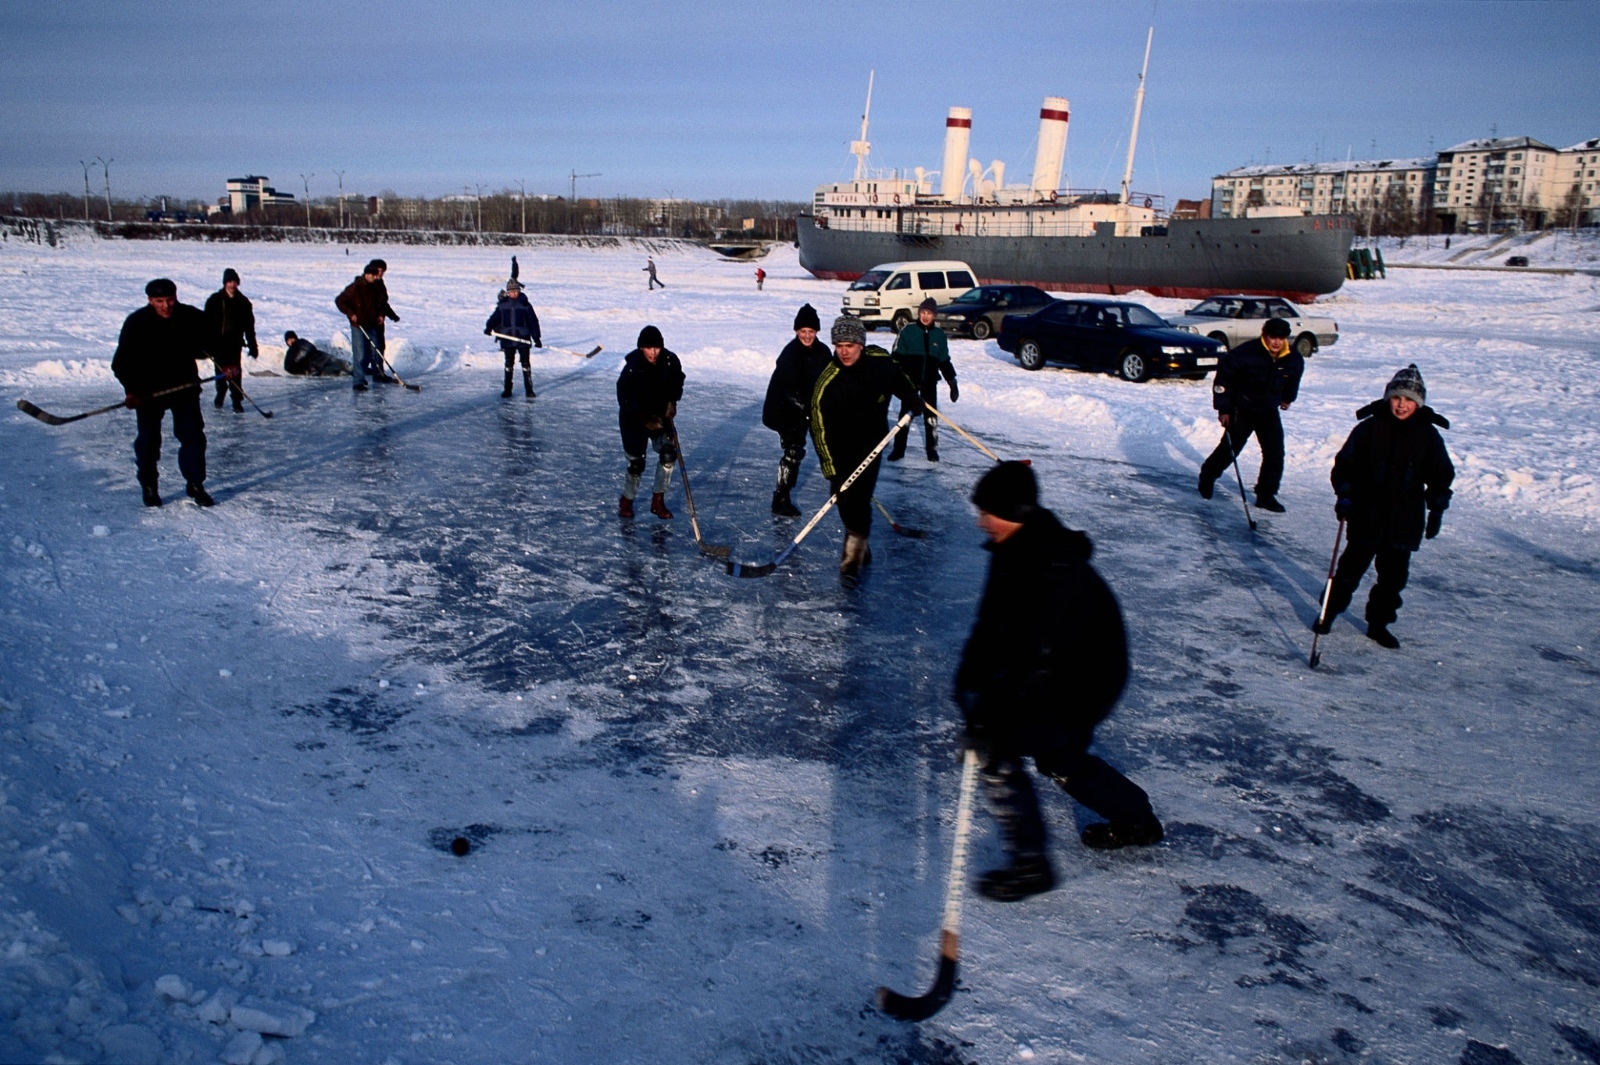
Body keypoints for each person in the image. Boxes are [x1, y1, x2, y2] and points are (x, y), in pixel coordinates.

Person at [955, 461, 1162, 902]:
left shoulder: (1051, 568)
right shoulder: (1011, 547)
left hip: (1085, 678)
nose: (980, 521)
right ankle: (1136, 820)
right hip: (1062, 669)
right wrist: (968, 681)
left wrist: (988, 717)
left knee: (1000, 748)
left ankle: (1032, 865)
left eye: (988, 512)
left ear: (1014, 512)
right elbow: (992, 627)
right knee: (1058, 757)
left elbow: (1039, 665)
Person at [1314, 364, 1455, 649]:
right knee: (1348, 572)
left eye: (1408, 400)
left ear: (1418, 403)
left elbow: (1441, 476)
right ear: (1387, 398)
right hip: (1366, 513)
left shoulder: (1427, 436)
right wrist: (1344, 495)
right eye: (1396, 398)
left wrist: (1437, 509)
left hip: (1405, 519)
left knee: (1392, 580)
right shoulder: (1369, 428)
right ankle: (1328, 613)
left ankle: (1378, 624)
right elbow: (1344, 467)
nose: (1401, 405)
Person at [809, 317, 923, 587]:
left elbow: (899, 376)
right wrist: (831, 470)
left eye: (849, 345)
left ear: (861, 344)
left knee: (858, 500)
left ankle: (851, 560)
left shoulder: (880, 361)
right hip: (841, 448)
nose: (843, 352)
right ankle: (859, 539)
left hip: (873, 443)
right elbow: (818, 428)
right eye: (839, 346)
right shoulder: (828, 383)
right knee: (843, 499)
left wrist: (911, 396)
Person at [111, 279, 214, 507]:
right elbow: (121, 363)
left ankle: (195, 483)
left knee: (193, 437)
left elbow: (213, 340)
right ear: (149, 300)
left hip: (184, 388)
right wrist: (131, 391)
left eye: (170, 300)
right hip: (149, 393)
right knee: (148, 442)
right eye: (159, 301)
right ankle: (149, 486)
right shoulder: (136, 323)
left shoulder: (189, 316)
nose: (166, 306)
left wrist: (226, 362)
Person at [1196, 317, 1305, 512]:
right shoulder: (1244, 354)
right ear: (1265, 335)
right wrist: (1224, 410)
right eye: (1273, 337)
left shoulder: (1293, 358)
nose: (1277, 343)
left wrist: (1288, 398)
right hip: (1242, 408)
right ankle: (1208, 475)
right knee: (1230, 449)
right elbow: (1223, 382)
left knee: (1275, 452)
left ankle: (1266, 494)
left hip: (1268, 411)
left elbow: (1293, 379)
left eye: (1281, 338)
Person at [761, 303, 832, 517]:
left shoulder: (823, 352)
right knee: (794, 451)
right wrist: (806, 407)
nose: (807, 336)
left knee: (826, 445)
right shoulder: (790, 353)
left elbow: (829, 380)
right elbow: (788, 388)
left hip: (808, 408)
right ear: (796, 331)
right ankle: (781, 497)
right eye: (803, 332)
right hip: (783, 409)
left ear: (817, 332)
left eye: (811, 331)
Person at [616, 325, 685, 519]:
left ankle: (658, 501)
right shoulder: (632, 367)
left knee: (669, 454)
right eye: (648, 348)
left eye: (656, 348)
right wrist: (644, 418)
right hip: (634, 421)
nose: (653, 352)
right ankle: (627, 500)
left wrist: (672, 402)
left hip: (660, 418)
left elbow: (677, 382)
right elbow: (625, 398)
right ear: (641, 348)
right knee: (637, 463)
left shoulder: (670, 361)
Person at [888, 297, 958, 461]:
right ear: (919, 313)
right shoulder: (908, 331)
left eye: (929, 313)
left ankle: (932, 449)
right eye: (923, 313)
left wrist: (952, 382)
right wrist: (893, 376)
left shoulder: (939, 335)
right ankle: (899, 449)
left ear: (934, 316)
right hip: (909, 381)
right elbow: (896, 356)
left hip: (929, 382)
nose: (925, 316)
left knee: (931, 417)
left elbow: (944, 360)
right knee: (905, 416)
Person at [202, 268, 258, 412]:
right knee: (220, 371)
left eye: (234, 282)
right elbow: (205, 323)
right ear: (225, 283)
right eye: (229, 281)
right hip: (218, 343)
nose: (232, 285)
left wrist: (253, 345)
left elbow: (249, 327)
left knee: (235, 372)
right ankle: (221, 392)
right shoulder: (214, 300)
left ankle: (236, 400)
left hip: (234, 344)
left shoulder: (244, 302)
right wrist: (205, 342)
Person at [483, 277, 542, 398]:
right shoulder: (503, 305)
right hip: (508, 339)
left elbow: (533, 322)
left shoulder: (525, 305)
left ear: (519, 291)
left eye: (515, 291)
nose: (513, 293)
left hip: (523, 338)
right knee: (509, 364)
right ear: (508, 292)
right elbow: (495, 318)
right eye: (511, 292)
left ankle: (529, 389)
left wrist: (536, 338)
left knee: (525, 364)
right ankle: (507, 389)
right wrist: (489, 327)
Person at [334, 261, 386, 391]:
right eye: (374, 275)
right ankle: (358, 381)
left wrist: (380, 314)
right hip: (359, 325)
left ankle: (378, 374)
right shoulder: (355, 287)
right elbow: (340, 301)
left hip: (373, 323)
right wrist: (351, 314)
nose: (377, 277)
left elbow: (381, 302)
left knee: (377, 350)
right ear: (367, 274)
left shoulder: (376, 286)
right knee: (360, 353)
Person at [282, 331, 351, 377]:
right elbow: (288, 367)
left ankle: (357, 369)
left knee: (345, 365)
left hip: (323, 359)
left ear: (295, 338)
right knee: (337, 372)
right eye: (288, 340)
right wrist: (303, 370)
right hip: (316, 369)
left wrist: (298, 359)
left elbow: (309, 348)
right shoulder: (290, 352)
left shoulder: (300, 342)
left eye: (292, 338)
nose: (290, 341)